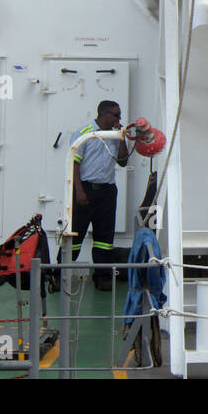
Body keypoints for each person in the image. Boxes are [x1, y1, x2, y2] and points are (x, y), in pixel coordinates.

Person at [70, 101, 134, 290]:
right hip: (86, 189)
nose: (119, 118)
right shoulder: (85, 133)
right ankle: (58, 274)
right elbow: (74, 164)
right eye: (116, 115)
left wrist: (121, 138)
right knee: (75, 235)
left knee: (104, 237)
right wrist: (79, 191)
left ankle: (102, 276)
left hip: (107, 191)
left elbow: (123, 161)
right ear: (104, 114)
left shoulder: (114, 135)